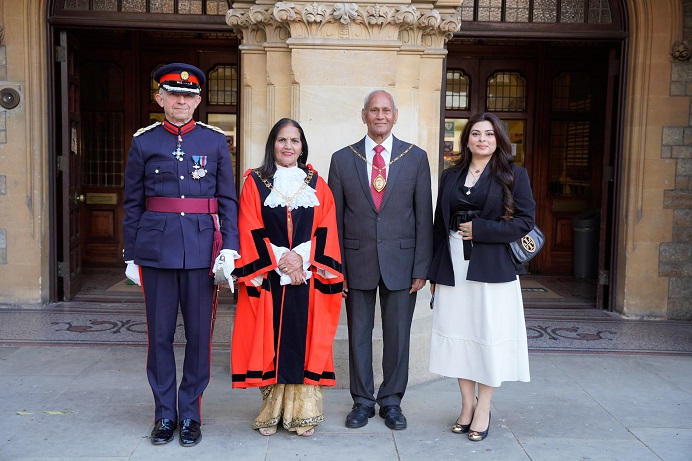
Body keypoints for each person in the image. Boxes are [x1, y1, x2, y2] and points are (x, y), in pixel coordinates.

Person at [122, 63, 240, 447]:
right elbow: (133, 203)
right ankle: (164, 415)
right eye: (174, 94)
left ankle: (190, 414)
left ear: (198, 101)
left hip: (202, 252)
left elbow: (227, 200)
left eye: (188, 95)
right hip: (156, 251)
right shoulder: (144, 142)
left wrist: (231, 247)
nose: (181, 101)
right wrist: (131, 253)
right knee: (158, 337)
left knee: (198, 338)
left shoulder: (214, 141)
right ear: (160, 98)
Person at [231, 118, 343, 437]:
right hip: (271, 278)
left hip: (307, 278)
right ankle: (272, 411)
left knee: (304, 341)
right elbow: (249, 225)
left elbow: (327, 227)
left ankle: (304, 413)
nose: (288, 146)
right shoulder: (255, 182)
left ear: (302, 146)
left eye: (294, 141)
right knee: (269, 342)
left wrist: (301, 259)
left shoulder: (317, 183)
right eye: (282, 140)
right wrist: (281, 259)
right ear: (273, 144)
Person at [328, 90, 433, 430]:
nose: (380, 116)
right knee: (359, 333)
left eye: (386, 110)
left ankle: (391, 401)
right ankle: (361, 402)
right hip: (356, 262)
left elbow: (423, 218)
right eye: (374, 110)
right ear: (363, 115)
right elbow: (334, 220)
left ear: (396, 115)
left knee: (398, 335)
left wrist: (422, 268)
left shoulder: (415, 158)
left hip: (402, 264)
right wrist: (336, 267)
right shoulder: (343, 159)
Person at [427, 112, 533, 442]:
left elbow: (525, 222)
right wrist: (434, 270)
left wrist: (481, 229)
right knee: (459, 334)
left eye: (489, 134)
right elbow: (437, 223)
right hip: (454, 264)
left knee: (487, 335)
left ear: (499, 139)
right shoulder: (450, 175)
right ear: (467, 139)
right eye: (475, 133)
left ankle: (484, 407)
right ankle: (465, 404)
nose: (482, 139)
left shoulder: (514, 175)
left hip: (492, 268)